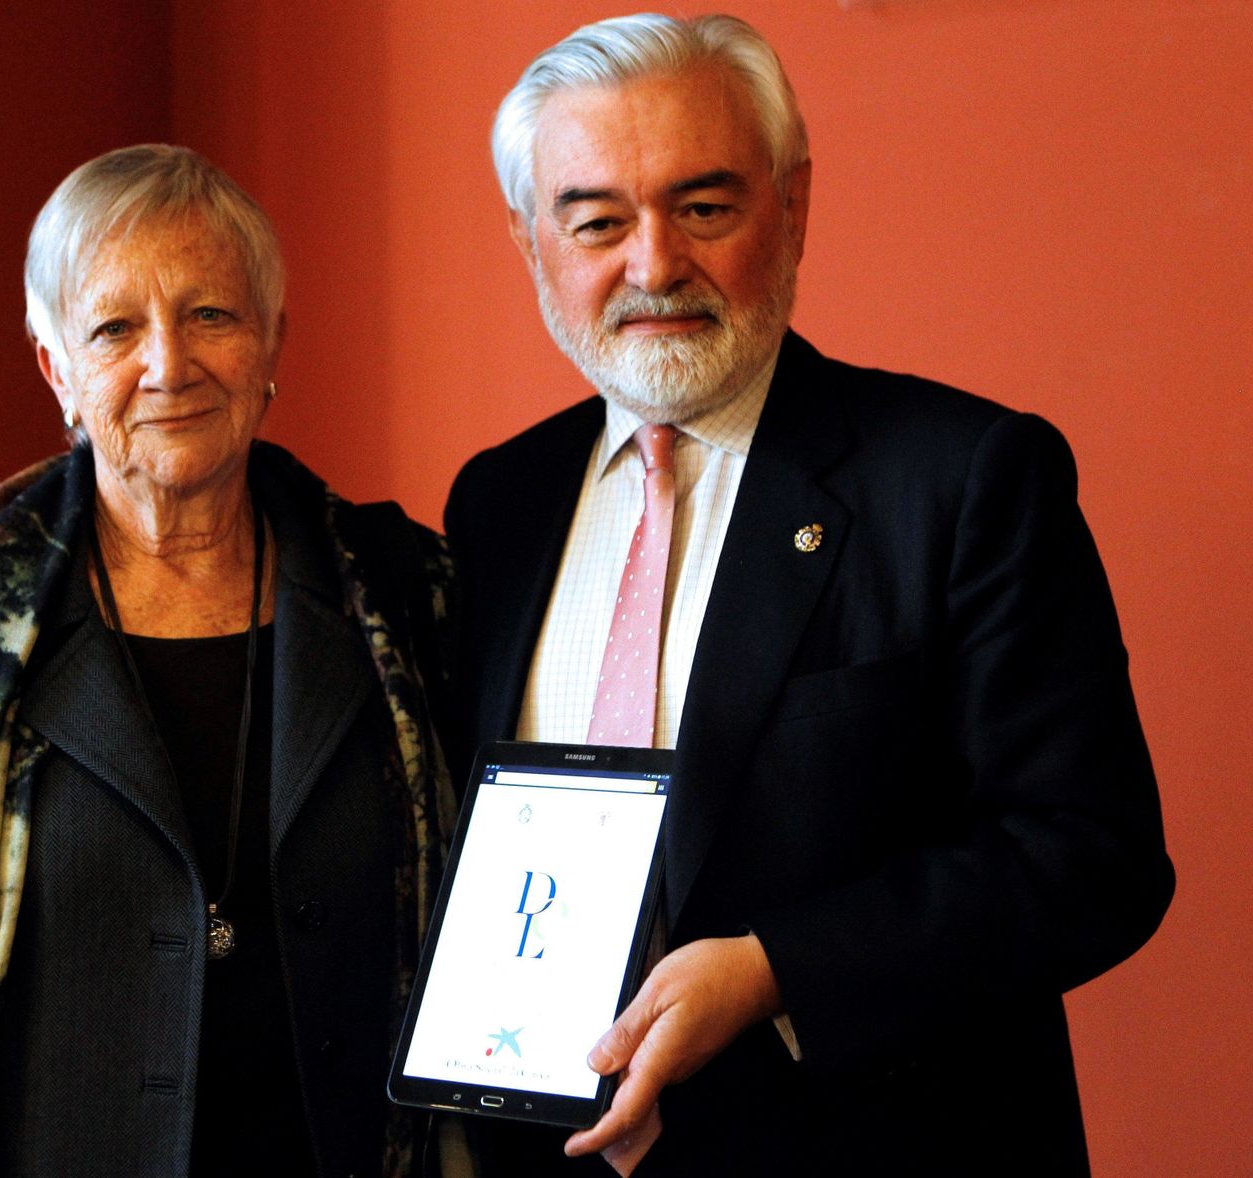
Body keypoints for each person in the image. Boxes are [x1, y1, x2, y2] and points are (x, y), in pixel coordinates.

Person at [446, 14, 1172, 1176]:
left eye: (703, 207)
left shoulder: (963, 476)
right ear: (532, 241)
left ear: (792, 204)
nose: (651, 265)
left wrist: (773, 965)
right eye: (595, 221)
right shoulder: (498, 504)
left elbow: (1092, 855)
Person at [0, 144, 455, 1177]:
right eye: (114, 327)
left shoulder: (402, 591)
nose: (168, 363)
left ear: (274, 335)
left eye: (212, 315)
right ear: (57, 365)